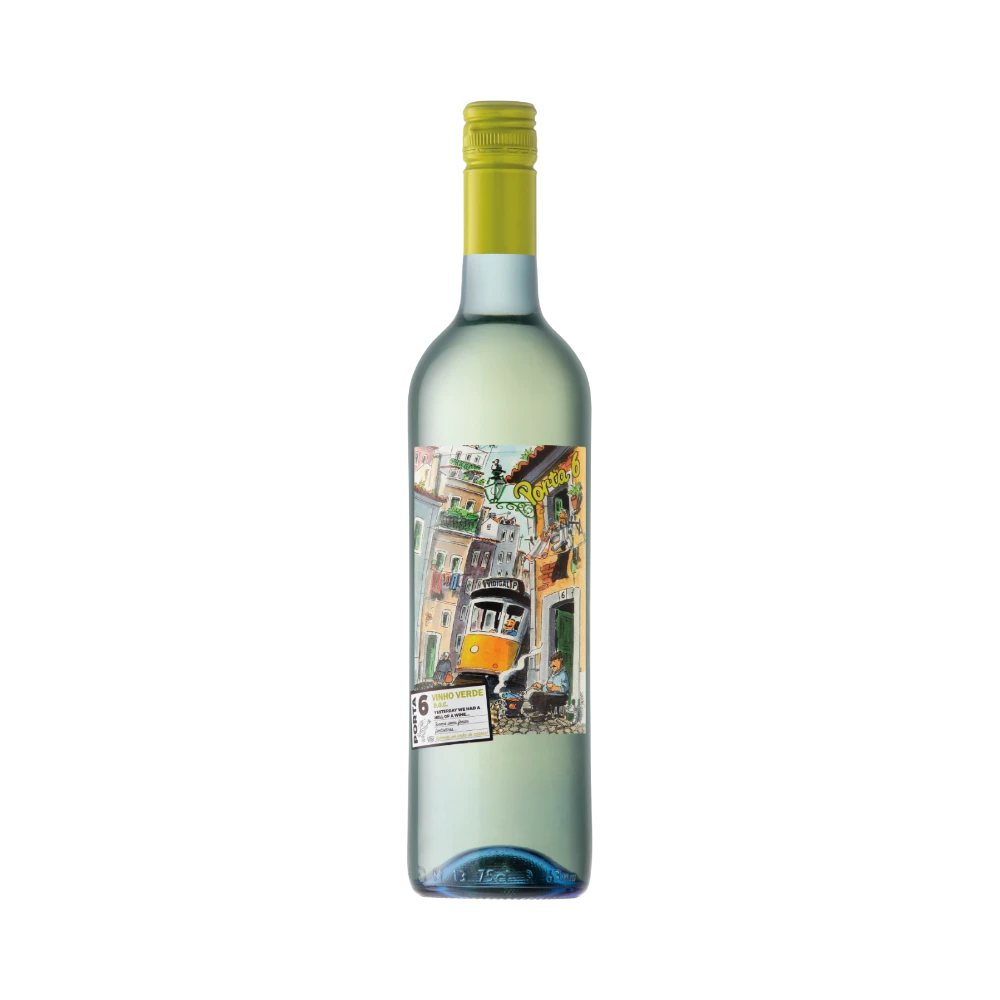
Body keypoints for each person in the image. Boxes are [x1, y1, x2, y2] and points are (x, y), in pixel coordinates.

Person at [525, 652, 570, 720]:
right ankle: (536, 710)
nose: (552, 665)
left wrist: (554, 688)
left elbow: (565, 688)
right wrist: (541, 687)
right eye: (552, 662)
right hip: (552, 695)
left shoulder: (563, 674)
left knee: (545, 698)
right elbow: (547, 688)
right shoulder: (553, 675)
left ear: (560, 660)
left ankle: (542, 714)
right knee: (535, 695)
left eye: (554, 661)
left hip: (560, 696)